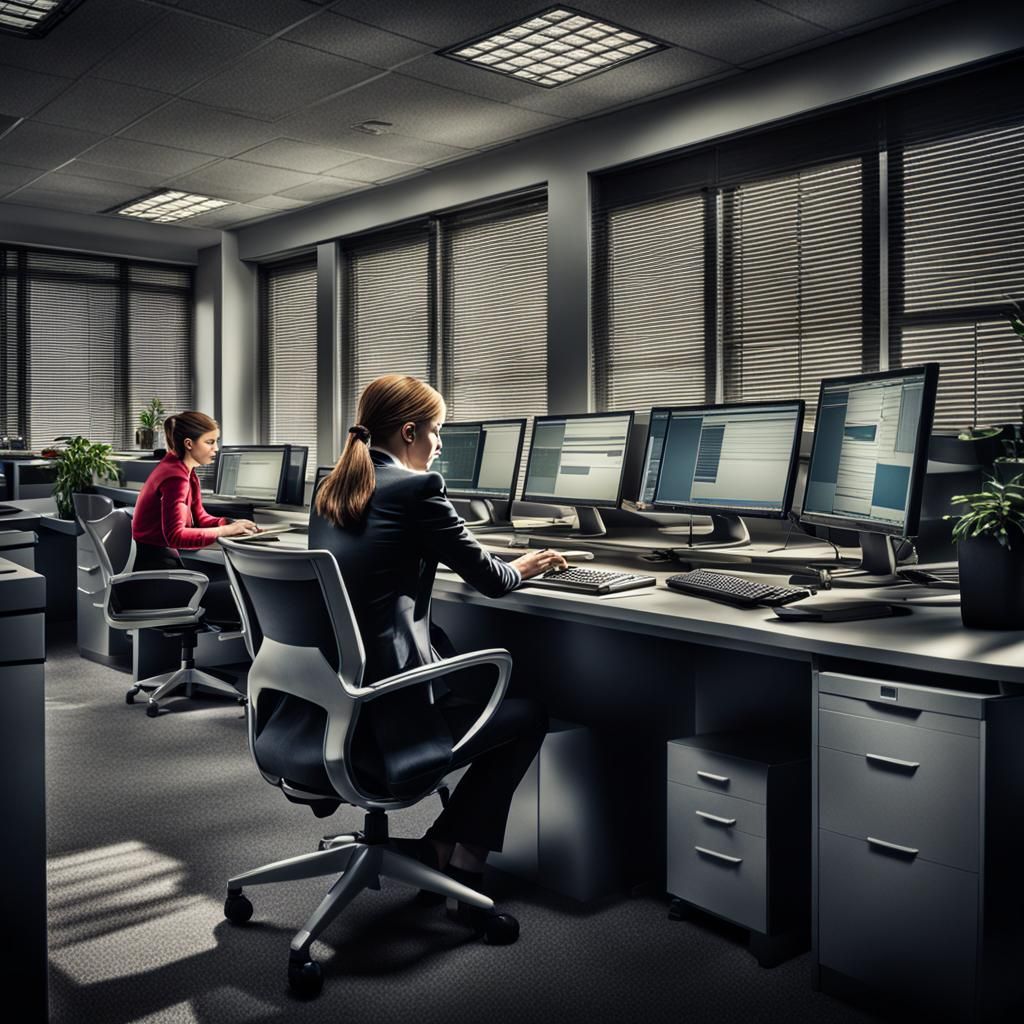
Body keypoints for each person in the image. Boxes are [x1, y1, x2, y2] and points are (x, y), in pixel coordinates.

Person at [309, 374, 567, 904]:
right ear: (409, 432)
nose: (440, 444)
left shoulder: (330, 491)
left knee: (451, 649)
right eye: (437, 432)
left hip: (324, 709)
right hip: (385, 715)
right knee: (529, 715)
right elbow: (493, 581)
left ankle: (441, 847)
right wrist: (528, 562)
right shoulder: (418, 489)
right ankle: (465, 860)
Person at [132, 411, 258, 623]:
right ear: (189, 444)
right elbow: (175, 536)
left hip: (165, 571)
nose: (216, 449)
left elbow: (199, 517)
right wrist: (224, 532)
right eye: (209, 442)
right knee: (250, 591)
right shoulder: (174, 476)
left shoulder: (185, 471)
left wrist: (228, 524)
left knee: (238, 584)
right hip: (158, 580)